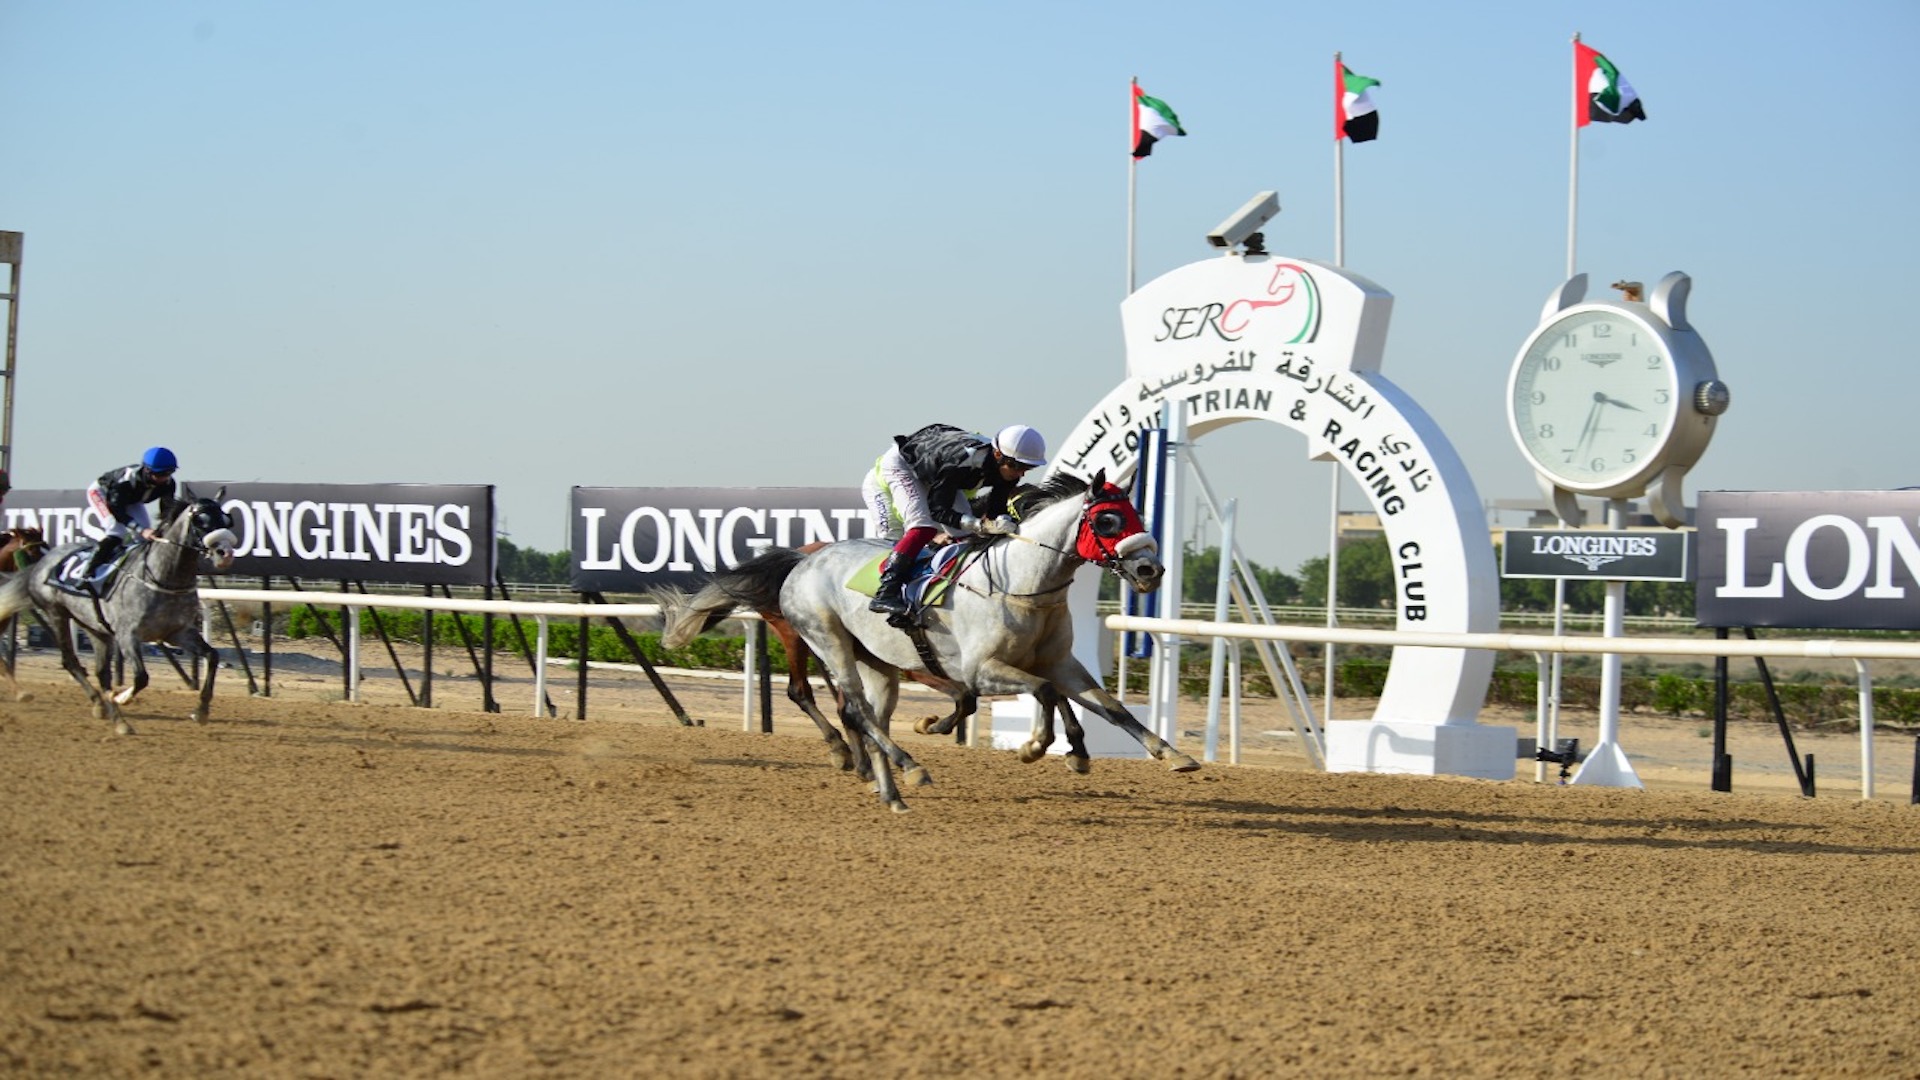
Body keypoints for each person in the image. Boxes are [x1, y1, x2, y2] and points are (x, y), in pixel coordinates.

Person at [862, 423, 1047, 618]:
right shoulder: (959, 463)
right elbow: (938, 512)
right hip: (903, 466)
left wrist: (1002, 520)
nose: (1021, 473)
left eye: (1029, 467)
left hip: (936, 470)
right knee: (923, 528)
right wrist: (980, 525)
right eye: (1017, 466)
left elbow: (995, 511)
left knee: (966, 537)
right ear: (998, 455)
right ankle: (886, 593)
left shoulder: (1007, 469)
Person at [82, 446, 180, 588]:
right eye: (160, 474)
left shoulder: (169, 484)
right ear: (147, 470)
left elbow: (166, 511)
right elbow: (118, 511)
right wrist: (141, 529)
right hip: (103, 495)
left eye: (169, 473)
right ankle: (87, 574)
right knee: (116, 531)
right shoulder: (126, 481)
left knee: (143, 538)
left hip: (132, 500)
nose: (164, 478)